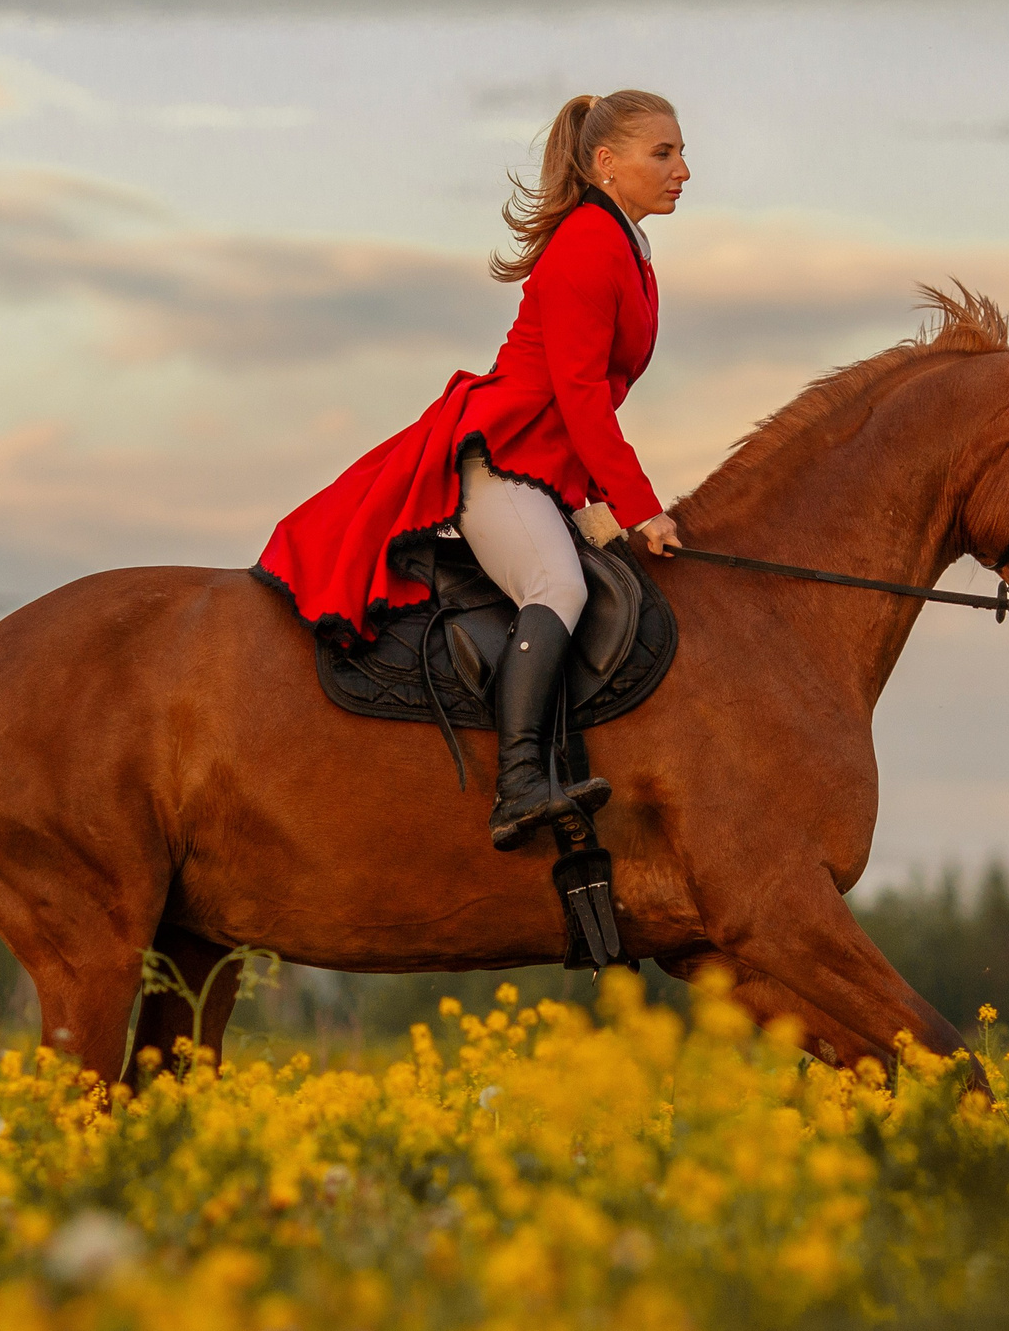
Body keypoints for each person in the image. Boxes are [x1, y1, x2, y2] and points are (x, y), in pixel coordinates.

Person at [255, 91, 688, 849]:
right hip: (507, 458)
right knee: (557, 584)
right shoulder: (590, 241)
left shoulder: (626, 247)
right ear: (606, 163)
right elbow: (581, 394)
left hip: (547, 468)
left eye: (681, 152)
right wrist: (638, 505)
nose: (684, 170)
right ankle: (519, 784)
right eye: (665, 153)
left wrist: (603, 500)